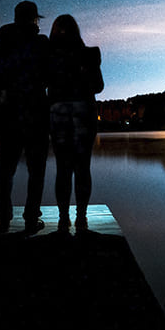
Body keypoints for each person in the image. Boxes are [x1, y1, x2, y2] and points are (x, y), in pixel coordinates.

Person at [0, 0, 50, 234]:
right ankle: (31, 218)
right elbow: (48, 78)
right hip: (36, 114)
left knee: (5, 170)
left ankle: (3, 218)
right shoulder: (41, 44)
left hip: (9, 115)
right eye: (36, 19)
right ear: (33, 19)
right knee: (36, 170)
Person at [47, 14, 104, 234]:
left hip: (59, 113)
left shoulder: (48, 57)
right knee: (82, 167)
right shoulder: (90, 54)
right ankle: (81, 217)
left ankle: (63, 220)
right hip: (83, 112)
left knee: (63, 168)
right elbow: (98, 87)